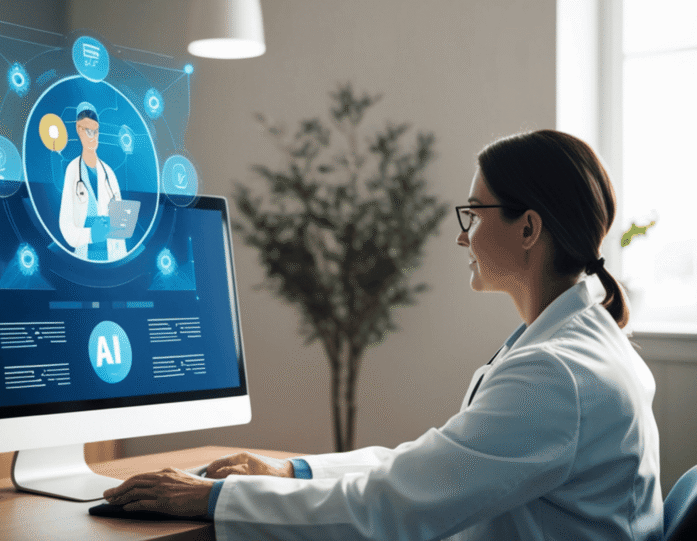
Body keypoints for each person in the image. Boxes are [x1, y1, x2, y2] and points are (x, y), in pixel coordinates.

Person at [104, 130, 663, 540]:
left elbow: (394, 504)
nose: (463, 237)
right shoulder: (572, 345)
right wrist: (289, 470)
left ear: (528, 227)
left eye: (474, 213)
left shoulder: (556, 376)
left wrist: (215, 498)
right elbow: (431, 463)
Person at [59, 102, 127, 262]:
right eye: (88, 131)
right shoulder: (72, 170)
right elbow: (66, 226)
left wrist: (123, 261)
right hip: (85, 261)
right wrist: (91, 235)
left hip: (112, 259)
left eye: (96, 131)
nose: (93, 137)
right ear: (78, 130)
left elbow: (120, 230)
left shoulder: (109, 174)